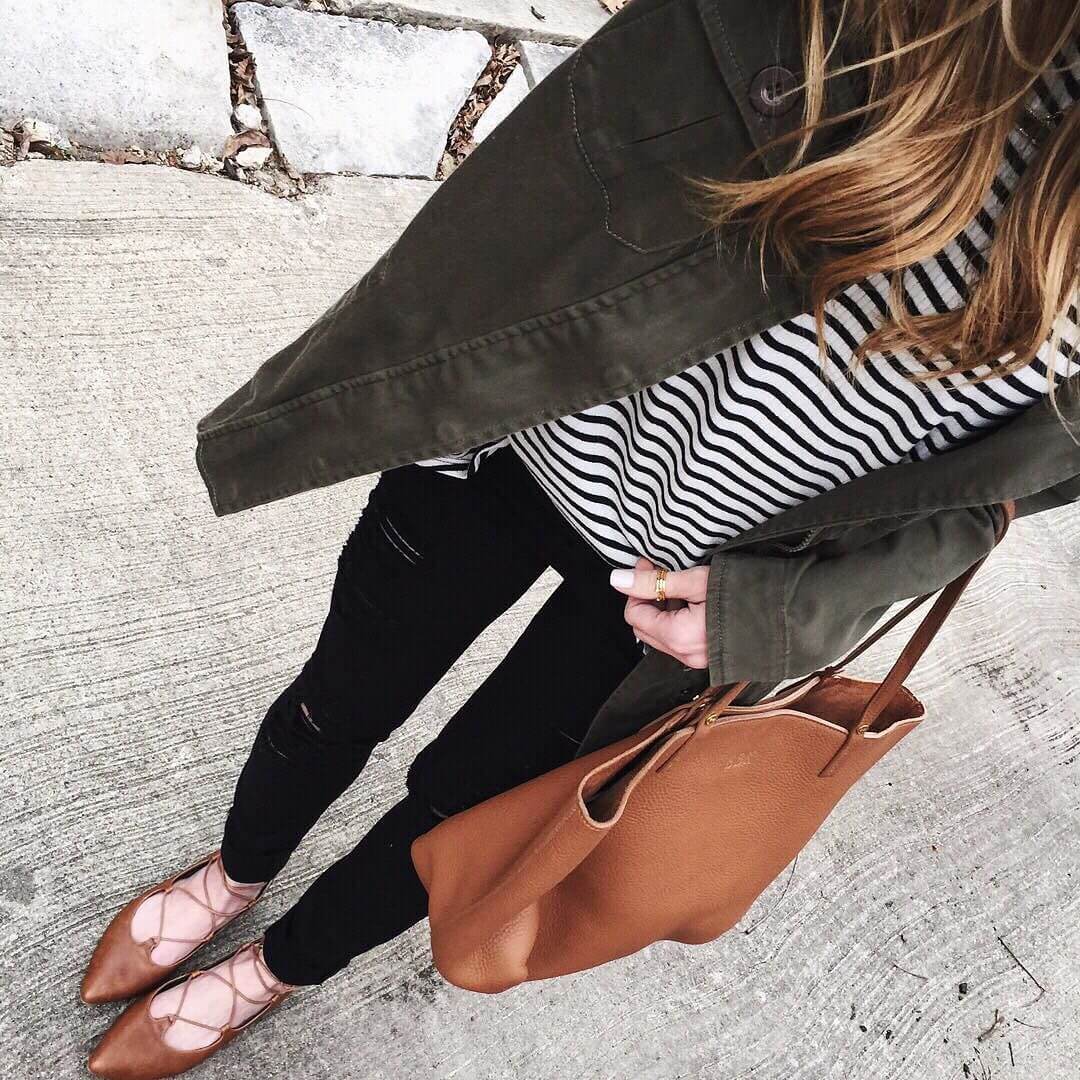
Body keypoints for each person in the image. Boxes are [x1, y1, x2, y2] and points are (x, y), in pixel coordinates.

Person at [82, 0, 1079, 1075]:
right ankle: (234, 875)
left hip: (692, 591)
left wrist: (782, 615)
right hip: (510, 446)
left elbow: (990, 499)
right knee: (338, 700)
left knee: (467, 815)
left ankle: (277, 969)